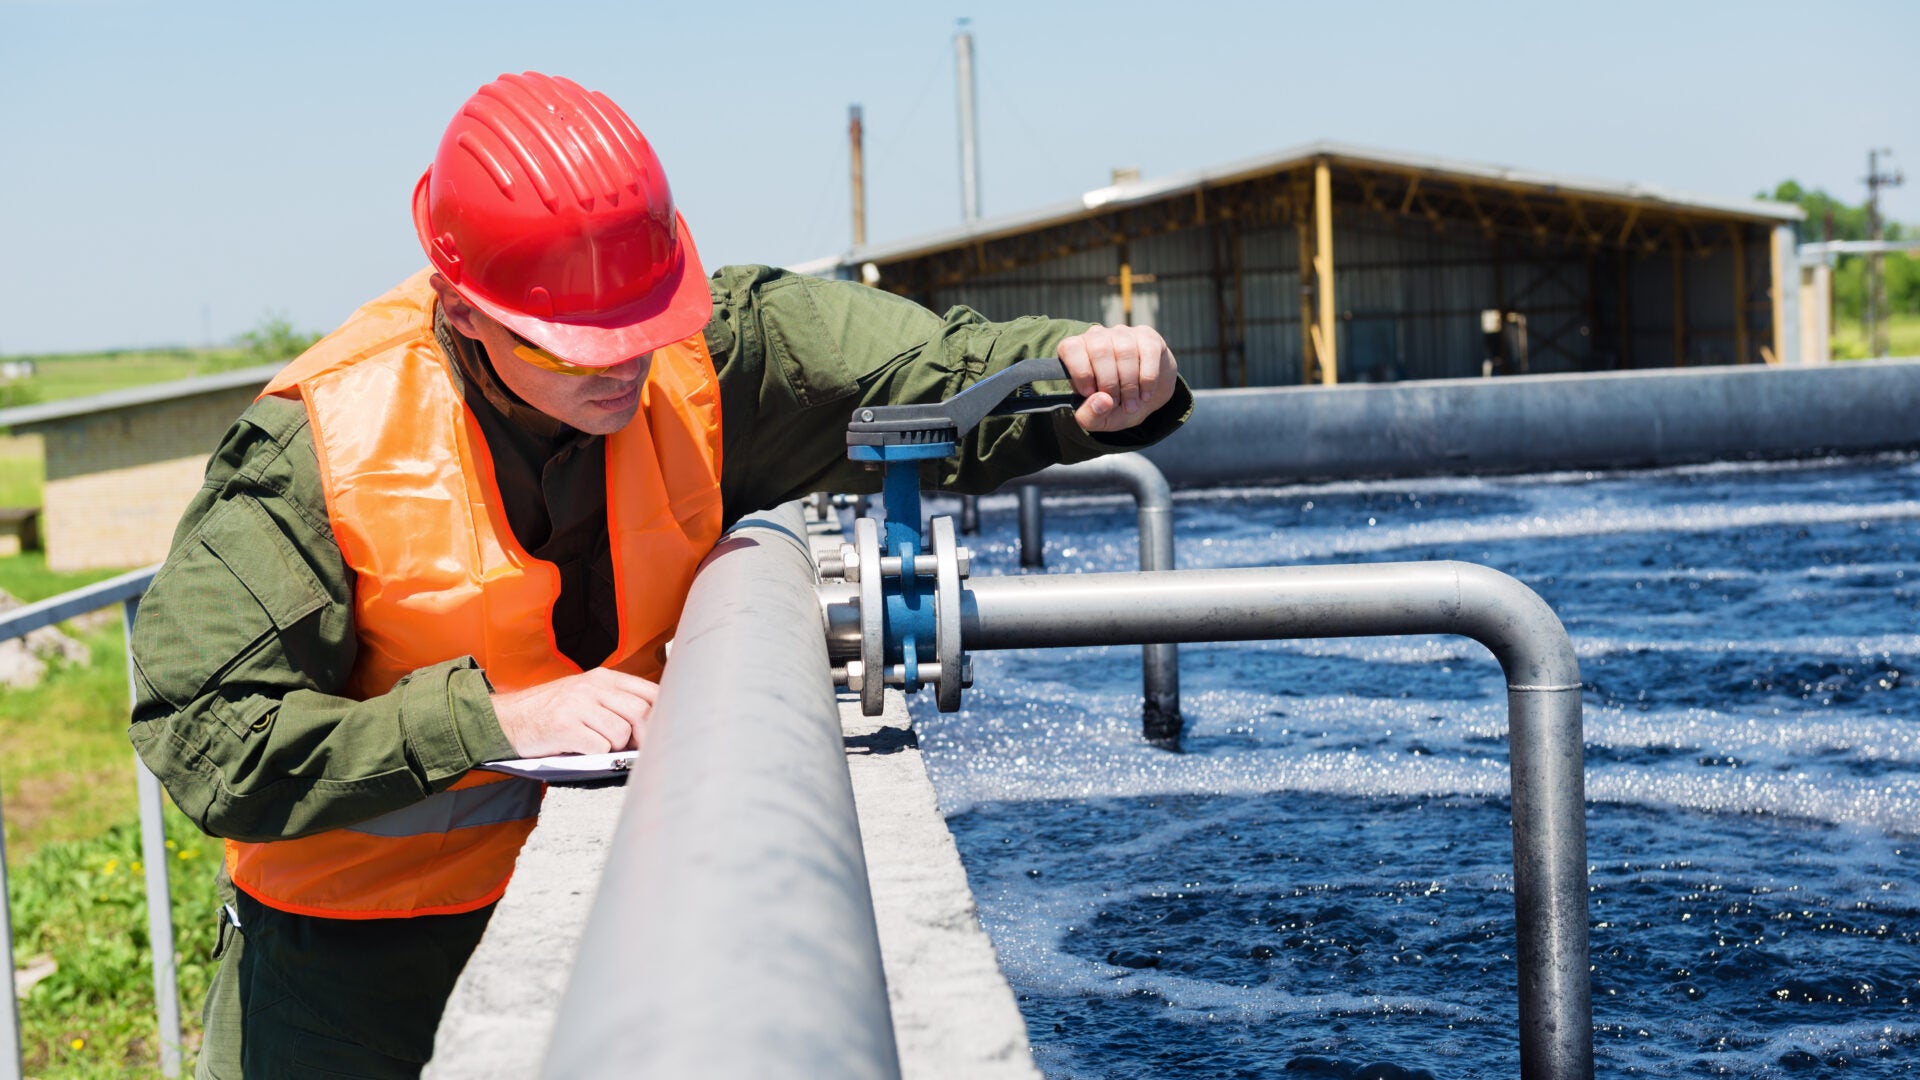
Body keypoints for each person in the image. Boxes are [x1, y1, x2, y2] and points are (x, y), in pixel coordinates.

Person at [129, 70, 1189, 1079]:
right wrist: (490, 721)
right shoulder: (316, 450)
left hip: (626, 919)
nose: (623, 368)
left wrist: (1087, 370)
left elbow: (929, 375)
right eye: (576, 348)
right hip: (348, 989)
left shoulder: (715, 351)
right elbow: (205, 737)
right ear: (465, 312)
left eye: (642, 329)